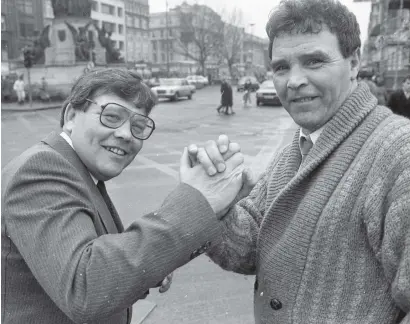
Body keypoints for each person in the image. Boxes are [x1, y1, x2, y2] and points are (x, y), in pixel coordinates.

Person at [188, 0, 410, 323]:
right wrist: (212, 205)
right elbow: (251, 244)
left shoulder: (398, 152)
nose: (293, 81)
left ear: (354, 63)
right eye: (281, 67)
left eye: (314, 61)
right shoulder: (298, 144)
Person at [1, 68, 247, 324]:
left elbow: (94, 258)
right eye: (111, 116)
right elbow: (85, 286)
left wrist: (153, 266)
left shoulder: (77, 168)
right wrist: (197, 199)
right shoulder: (42, 168)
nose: (126, 134)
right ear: (72, 116)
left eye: (138, 126)